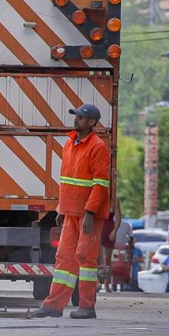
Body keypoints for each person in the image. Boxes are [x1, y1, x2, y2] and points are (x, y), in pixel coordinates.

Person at [29, 104, 111, 320]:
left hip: (88, 215)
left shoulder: (98, 147)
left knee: (85, 258)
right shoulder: (69, 143)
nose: (77, 120)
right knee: (64, 258)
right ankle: (53, 306)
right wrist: (61, 208)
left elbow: (100, 185)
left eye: (82, 117)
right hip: (71, 212)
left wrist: (91, 214)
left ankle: (87, 306)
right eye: (76, 116)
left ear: (92, 122)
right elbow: (66, 181)